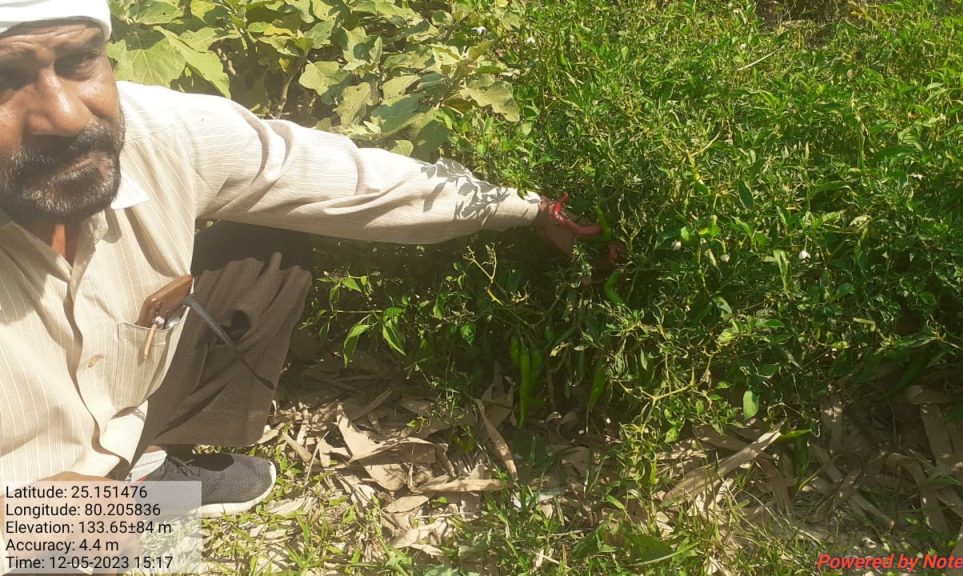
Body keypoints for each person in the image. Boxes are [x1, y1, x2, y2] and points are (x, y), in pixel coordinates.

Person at [0, 0, 602, 517]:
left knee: (267, 248)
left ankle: (145, 470)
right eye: (5, 79)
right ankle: (112, 518)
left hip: (110, 438)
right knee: (84, 545)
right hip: (25, 505)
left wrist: (526, 209)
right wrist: (31, 522)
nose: (67, 116)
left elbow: (346, 180)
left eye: (79, 61)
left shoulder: (158, 135)